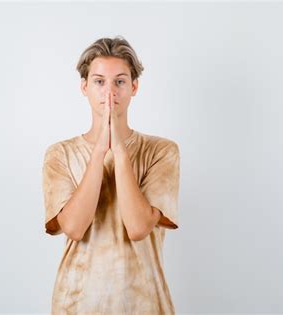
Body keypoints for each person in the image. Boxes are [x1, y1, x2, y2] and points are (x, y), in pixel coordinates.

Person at [41, 36, 180, 314]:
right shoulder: (60, 154)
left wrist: (118, 149)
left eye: (119, 81)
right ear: (84, 86)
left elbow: (139, 227)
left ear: (134, 87)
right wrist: (98, 151)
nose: (109, 92)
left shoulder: (162, 151)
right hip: (77, 304)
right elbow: (74, 228)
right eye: (99, 81)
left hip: (145, 304)